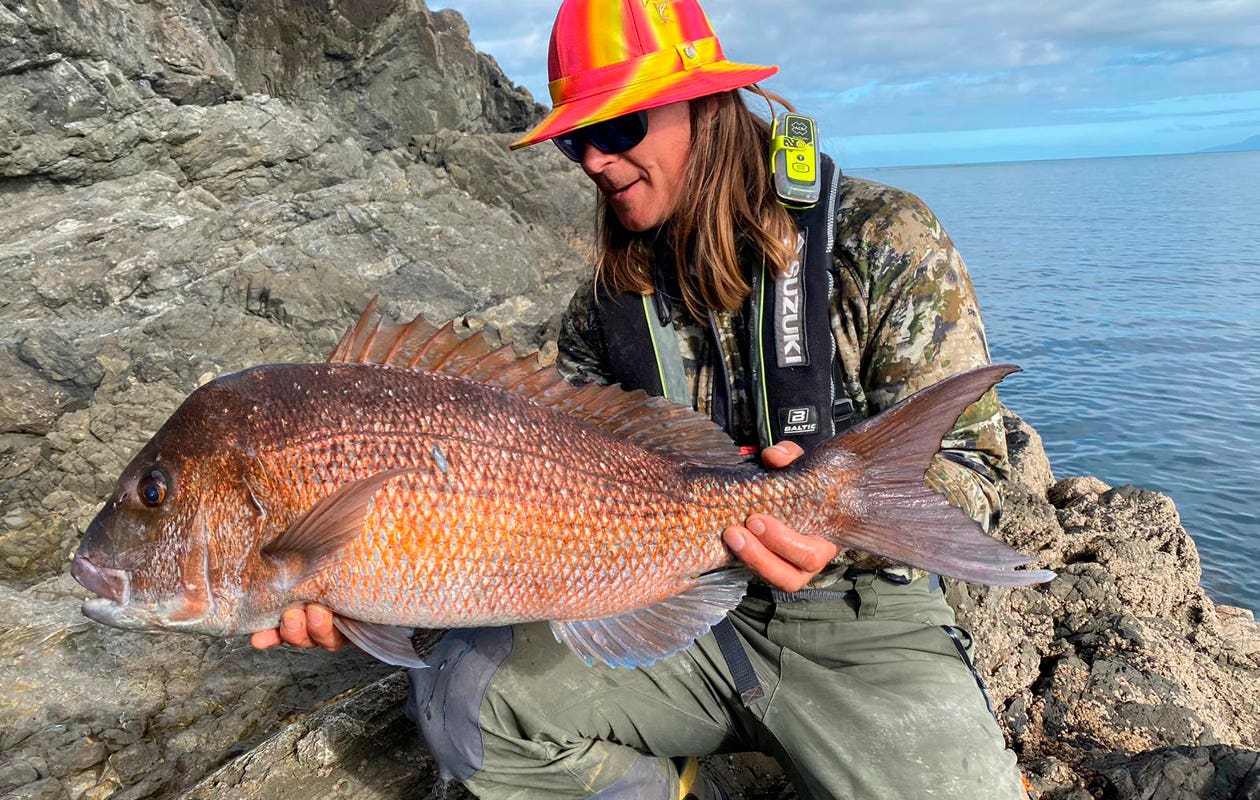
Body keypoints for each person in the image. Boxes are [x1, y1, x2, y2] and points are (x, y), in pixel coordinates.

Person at [253, 0, 1032, 797]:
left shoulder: (882, 237)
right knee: (464, 708)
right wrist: (358, 594)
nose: (594, 159)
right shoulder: (598, 313)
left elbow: (976, 469)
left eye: (620, 129)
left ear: (707, 104)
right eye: (573, 138)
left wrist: (839, 529)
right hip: (665, 613)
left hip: (858, 621)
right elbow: (537, 511)